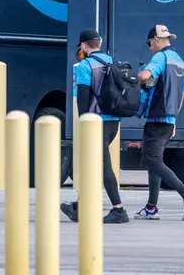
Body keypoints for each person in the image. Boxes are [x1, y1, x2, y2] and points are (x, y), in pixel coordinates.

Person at [60, 29, 130, 224]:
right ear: (99, 43)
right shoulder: (112, 62)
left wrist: (83, 123)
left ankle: (118, 210)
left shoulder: (85, 65)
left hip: (95, 123)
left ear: (83, 46)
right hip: (113, 122)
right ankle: (80, 208)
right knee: (94, 164)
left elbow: (82, 99)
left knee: (103, 164)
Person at [133, 24, 184, 221]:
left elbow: (145, 76)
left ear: (155, 40)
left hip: (156, 117)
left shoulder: (159, 58)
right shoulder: (179, 61)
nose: (149, 48)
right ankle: (151, 207)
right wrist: (173, 120)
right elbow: (181, 95)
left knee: (153, 161)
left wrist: (131, 80)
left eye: (149, 43)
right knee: (154, 161)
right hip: (168, 118)